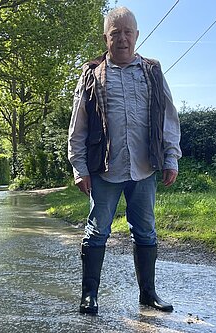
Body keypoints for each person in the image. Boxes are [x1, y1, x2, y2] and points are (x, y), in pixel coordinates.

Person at [67, 6, 182, 315]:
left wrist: (171, 157)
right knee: (97, 231)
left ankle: (148, 295)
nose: (122, 39)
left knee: (145, 231)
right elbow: (77, 124)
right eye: (115, 33)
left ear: (136, 36)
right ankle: (88, 295)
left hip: (144, 168)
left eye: (127, 32)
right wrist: (79, 168)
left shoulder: (152, 71)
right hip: (104, 170)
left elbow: (168, 117)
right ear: (106, 37)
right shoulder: (92, 73)